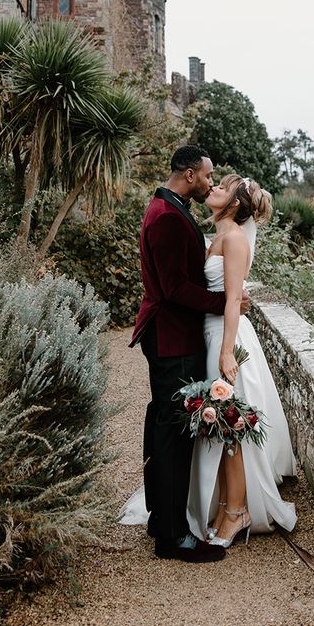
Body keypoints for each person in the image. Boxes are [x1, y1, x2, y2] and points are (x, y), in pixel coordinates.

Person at [128, 146, 249, 563]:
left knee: (169, 429)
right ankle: (173, 537)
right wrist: (225, 302)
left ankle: (163, 517)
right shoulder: (165, 216)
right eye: (208, 175)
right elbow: (173, 289)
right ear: (191, 173)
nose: (212, 182)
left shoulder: (172, 209)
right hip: (171, 339)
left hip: (177, 337)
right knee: (173, 436)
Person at [186, 173, 297, 547]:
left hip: (226, 337)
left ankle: (237, 511)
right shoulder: (219, 234)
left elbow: (234, 299)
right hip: (211, 332)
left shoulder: (233, 239)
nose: (213, 187)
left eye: (223, 187)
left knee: (228, 424)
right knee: (216, 425)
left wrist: (225, 351)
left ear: (234, 204)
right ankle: (221, 505)